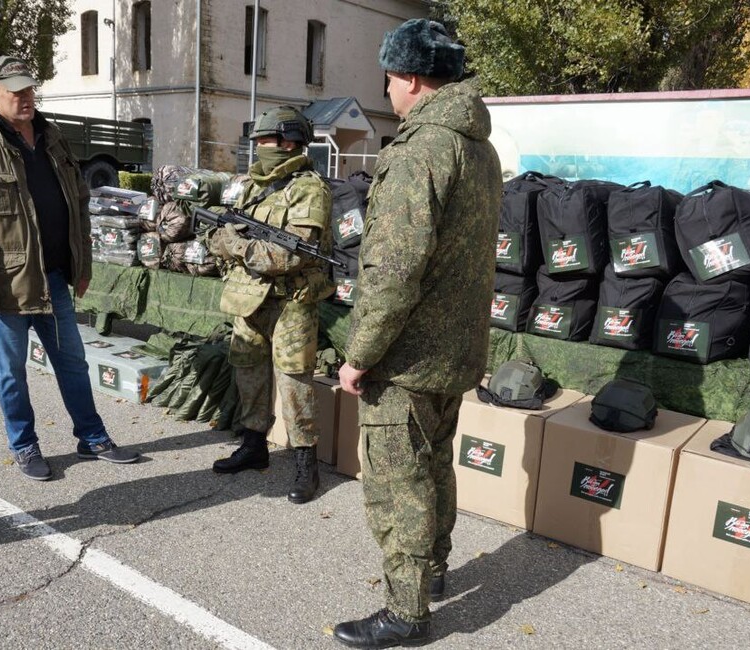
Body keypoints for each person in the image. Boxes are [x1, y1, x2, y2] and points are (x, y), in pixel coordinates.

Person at [331, 19, 501, 648]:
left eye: (389, 79)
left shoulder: (421, 149)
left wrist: (359, 355)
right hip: (455, 349)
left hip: (406, 357)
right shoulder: (478, 146)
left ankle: (406, 612)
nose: (387, 91)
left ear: (409, 78)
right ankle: (433, 571)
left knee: (399, 483)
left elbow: (394, 269)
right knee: (434, 467)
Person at [0, 56, 139, 481]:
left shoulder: (53, 137)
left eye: (29, 89)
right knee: (11, 375)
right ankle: (25, 445)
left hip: (54, 278)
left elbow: (79, 205)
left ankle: (92, 437)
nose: (27, 97)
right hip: (5, 287)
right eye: (16, 91)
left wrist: (80, 266)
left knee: (73, 363)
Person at [208, 105, 333, 504]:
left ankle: (305, 462)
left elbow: (292, 255)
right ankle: (253, 444)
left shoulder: (308, 189)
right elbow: (224, 234)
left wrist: (238, 246)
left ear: (288, 141)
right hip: (249, 296)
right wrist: (222, 241)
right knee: (248, 372)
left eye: (263, 140)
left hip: (291, 300)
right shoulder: (251, 186)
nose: (258, 148)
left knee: (295, 381)